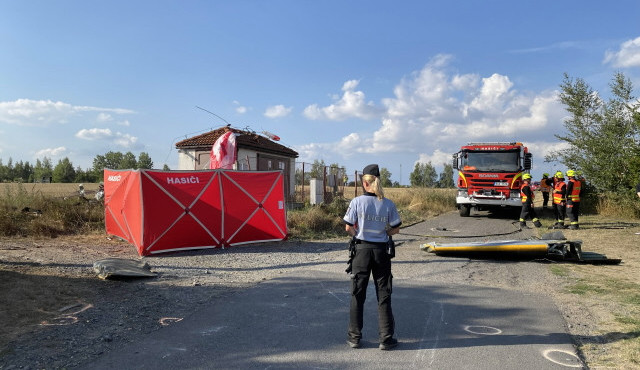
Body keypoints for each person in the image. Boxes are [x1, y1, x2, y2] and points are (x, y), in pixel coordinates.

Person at [343, 164, 401, 351]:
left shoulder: (357, 202)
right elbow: (396, 228)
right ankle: (386, 338)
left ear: (365, 182)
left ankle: (354, 338)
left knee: (357, 294)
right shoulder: (388, 203)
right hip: (381, 251)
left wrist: (357, 234)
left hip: (361, 251)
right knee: (383, 294)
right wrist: (385, 232)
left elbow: (348, 227)